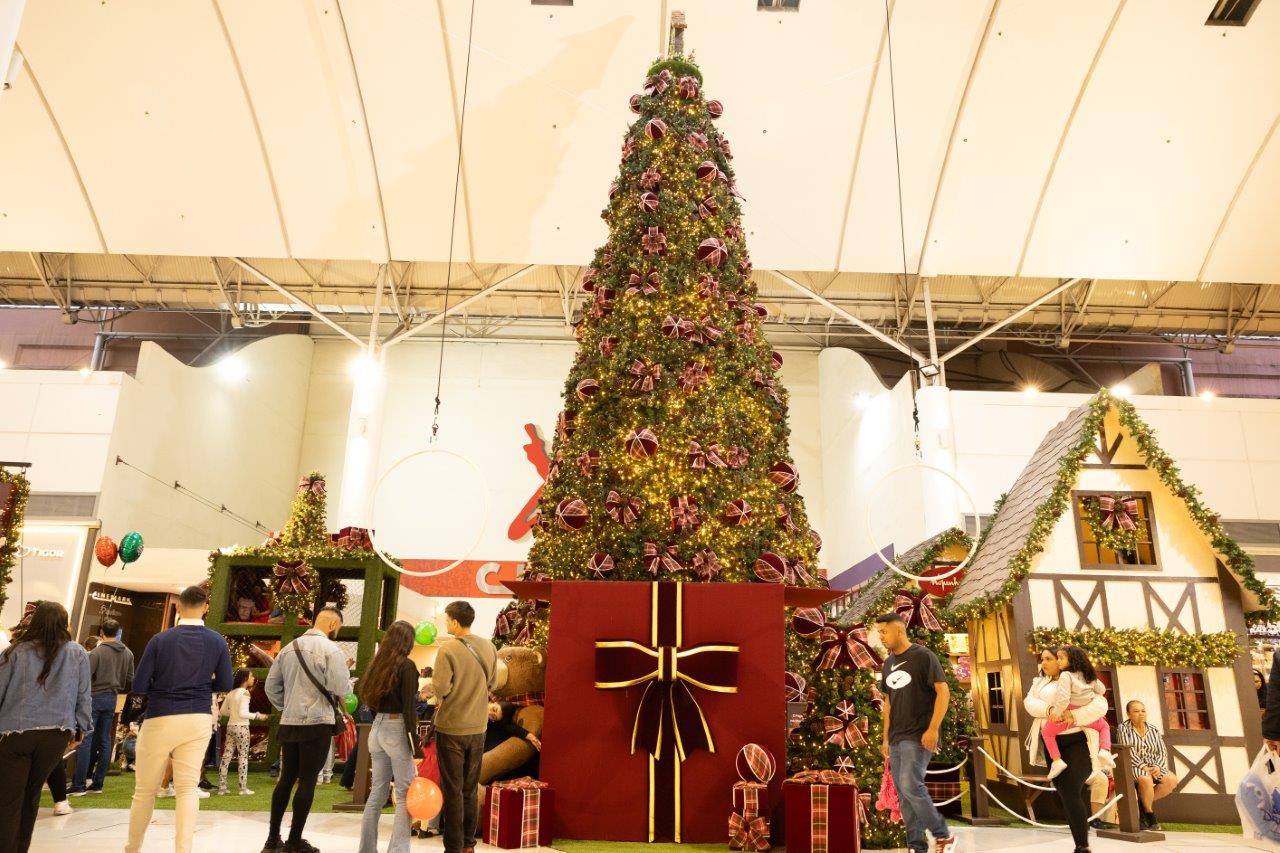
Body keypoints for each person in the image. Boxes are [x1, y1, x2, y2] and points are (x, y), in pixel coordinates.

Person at [126, 585, 233, 853]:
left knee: (144, 792)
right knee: (187, 789)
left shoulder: (160, 640)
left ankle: (133, 848)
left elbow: (139, 684)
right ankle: (183, 850)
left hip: (160, 717)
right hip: (197, 717)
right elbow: (226, 683)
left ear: (178, 607)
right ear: (206, 607)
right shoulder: (217, 641)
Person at [0, 601, 91, 852]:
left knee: (8, 799)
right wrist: (82, 727)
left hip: (16, 733)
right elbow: (84, 695)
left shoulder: (15, 651)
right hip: (56, 735)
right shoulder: (77, 652)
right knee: (31, 795)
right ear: (64, 623)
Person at [264, 606, 352, 853]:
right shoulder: (331, 650)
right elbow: (341, 687)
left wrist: (288, 705)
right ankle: (294, 841)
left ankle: (272, 840)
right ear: (333, 625)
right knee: (308, 780)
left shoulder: (288, 648)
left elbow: (271, 687)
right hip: (317, 723)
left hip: (289, 723)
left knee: (286, 779)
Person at [874, 611, 956, 853]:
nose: (881, 636)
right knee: (904, 792)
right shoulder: (888, 663)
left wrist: (933, 729)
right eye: (879, 632)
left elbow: (944, 692)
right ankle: (916, 846)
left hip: (919, 734)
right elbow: (888, 702)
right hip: (897, 737)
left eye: (884, 631)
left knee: (910, 784)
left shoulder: (923, 656)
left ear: (899, 630)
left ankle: (943, 836)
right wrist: (885, 737)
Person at [432, 601, 498, 853]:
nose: (446, 623)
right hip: (478, 727)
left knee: (452, 790)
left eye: (447, 619)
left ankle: (453, 846)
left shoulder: (447, 650)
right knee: (470, 788)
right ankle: (469, 844)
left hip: (451, 728)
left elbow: (441, 688)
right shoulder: (489, 647)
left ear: (455, 622)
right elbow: (492, 682)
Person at [1023, 646, 1111, 835]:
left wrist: (1073, 715)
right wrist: (1049, 711)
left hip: (1079, 738)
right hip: (1052, 739)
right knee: (1064, 788)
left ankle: (1082, 836)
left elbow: (1100, 703)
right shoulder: (1038, 682)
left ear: (1061, 661)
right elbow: (1029, 703)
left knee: (1072, 788)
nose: (1043, 663)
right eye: (1042, 659)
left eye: (1049, 659)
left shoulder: (1077, 678)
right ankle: (1080, 829)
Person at [357, 620, 420, 853]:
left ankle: (366, 849)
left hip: (377, 728)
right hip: (397, 728)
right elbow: (409, 708)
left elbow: (369, 700)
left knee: (377, 792)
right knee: (404, 794)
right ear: (408, 641)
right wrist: (416, 744)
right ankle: (398, 850)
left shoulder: (377, 665)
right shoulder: (407, 666)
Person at [69, 617, 135, 795]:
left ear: (101, 633)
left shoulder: (97, 653)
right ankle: (98, 783)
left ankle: (79, 784)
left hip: (94, 697)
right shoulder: (128, 653)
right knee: (105, 740)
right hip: (112, 698)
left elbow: (85, 677)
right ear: (118, 632)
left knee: (86, 739)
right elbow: (130, 678)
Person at [1043, 646, 1115, 781]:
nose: (1058, 661)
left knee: (1047, 732)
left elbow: (1063, 697)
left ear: (1072, 660)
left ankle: (1057, 761)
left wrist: (1057, 712)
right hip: (1087, 710)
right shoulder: (1088, 674)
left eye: (1061, 658)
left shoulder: (1066, 675)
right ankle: (1105, 750)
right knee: (1104, 726)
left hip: (1070, 712)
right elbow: (1102, 689)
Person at [1116, 700, 1177, 831]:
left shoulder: (1153, 729)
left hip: (1153, 766)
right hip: (1133, 766)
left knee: (1171, 780)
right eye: (1136, 711)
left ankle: (1142, 807)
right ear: (1128, 714)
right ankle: (1149, 813)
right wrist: (1143, 767)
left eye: (1143, 711)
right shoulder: (1123, 728)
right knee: (1145, 779)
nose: (1141, 714)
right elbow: (1128, 751)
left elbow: (1162, 751)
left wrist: (1157, 766)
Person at [219, 668, 267, 795]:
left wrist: (233, 713)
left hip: (230, 726)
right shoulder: (245, 693)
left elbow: (223, 711)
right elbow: (243, 713)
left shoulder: (231, 693)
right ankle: (242, 788)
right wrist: (258, 715)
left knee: (226, 756)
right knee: (243, 757)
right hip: (242, 727)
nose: (253, 679)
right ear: (245, 679)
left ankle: (222, 787)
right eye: (251, 676)